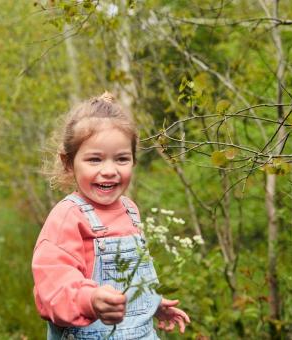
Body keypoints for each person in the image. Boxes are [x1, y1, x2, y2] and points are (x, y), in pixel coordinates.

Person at [32, 93, 190, 339]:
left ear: (134, 161)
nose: (109, 171)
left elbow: (132, 276)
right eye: (94, 159)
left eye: (121, 159)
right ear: (69, 163)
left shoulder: (129, 209)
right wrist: (90, 300)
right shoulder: (68, 217)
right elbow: (52, 285)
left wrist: (152, 303)